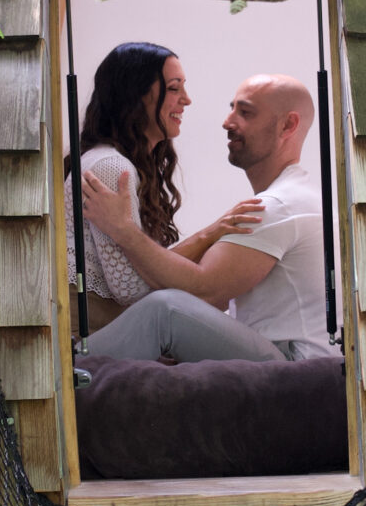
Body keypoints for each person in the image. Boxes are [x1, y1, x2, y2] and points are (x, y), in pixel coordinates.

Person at [78, 74, 339, 365]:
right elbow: (210, 296)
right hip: (290, 356)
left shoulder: (279, 205)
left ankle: (68, 369)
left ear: (288, 125)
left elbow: (202, 291)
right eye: (232, 109)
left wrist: (123, 230)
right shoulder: (297, 196)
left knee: (165, 309)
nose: (227, 122)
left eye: (245, 112)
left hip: (294, 365)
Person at [64, 42, 264, 334]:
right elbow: (132, 291)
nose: (187, 100)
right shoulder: (110, 167)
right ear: (135, 95)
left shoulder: (114, 162)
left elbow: (147, 268)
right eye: (173, 88)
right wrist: (207, 243)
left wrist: (211, 232)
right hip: (85, 340)